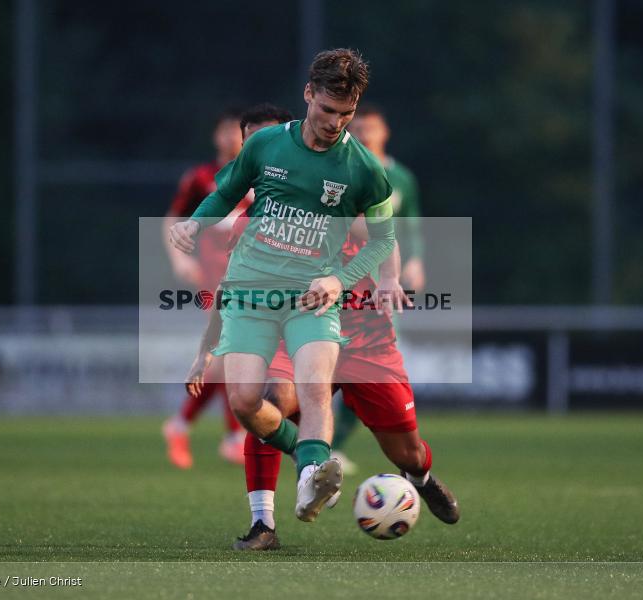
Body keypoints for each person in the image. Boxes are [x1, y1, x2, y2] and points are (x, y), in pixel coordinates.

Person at [187, 106, 459, 551]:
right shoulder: (252, 223)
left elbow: (380, 234)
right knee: (268, 401)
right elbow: (233, 285)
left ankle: (422, 478)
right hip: (298, 324)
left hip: (367, 334)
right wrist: (209, 347)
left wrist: (390, 279)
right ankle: (265, 523)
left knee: (405, 450)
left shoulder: (342, 185)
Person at [169, 49, 395, 523]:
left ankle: (313, 476)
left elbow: (383, 241)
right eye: (328, 110)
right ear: (309, 94)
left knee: (313, 388)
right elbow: (226, 193)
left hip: (313, 298)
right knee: (246, 403)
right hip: (255, 295)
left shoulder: (364, 169)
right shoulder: (266, 144)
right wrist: (195, 224)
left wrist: (339, 278)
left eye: (346, 114)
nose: (336, 123)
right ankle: (306, 458)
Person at [331, 104, 428, 474]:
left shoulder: (401, 177)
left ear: (384, 131)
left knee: (371, 371)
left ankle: (334, 444)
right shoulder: (342, 171)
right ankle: (322, 445)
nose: (365, 133)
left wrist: (414, 262)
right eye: (358, 127)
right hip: (344, 281)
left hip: (385, 280)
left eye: (371, 127)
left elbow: (411, 224)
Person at [161, 108, 247, 469]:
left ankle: (181, 425)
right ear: (216, 137)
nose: (231, 138)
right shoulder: (201, 178)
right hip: (215, 279)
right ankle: (233, 436)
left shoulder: (259, 176)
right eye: (225, 131)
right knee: (228, 351)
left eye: (237, 132)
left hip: (250, 280)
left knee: (225, 357)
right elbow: (172, 219)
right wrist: (180, 260)